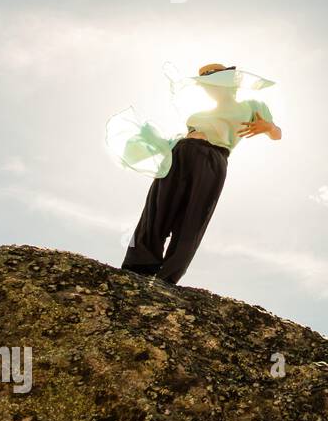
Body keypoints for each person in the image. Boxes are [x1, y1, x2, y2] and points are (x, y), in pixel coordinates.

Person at [107, 63, 281, 285]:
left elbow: (277, 134)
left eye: (212, 79)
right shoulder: (200, 113)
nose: (208, 86)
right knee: (157, 209)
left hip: (213, 158)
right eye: (205, 83)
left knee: (193, 217)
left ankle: (167, 276)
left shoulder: (253, 105)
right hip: (180, 152)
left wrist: (268, 128)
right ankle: (138, 266)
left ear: (229, 81)